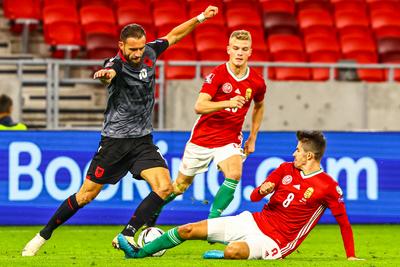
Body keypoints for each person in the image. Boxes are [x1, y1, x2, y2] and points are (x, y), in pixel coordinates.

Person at [21, 6, 219, 256]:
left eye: (140, 48)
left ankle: (127, 233)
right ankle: (42, 235)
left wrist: (200, 17)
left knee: (165, 187)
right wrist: (106, 76)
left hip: (142, 141)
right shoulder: (115, 63)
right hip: (114, 142)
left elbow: (175, 35)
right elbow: (109, 74)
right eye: (132, 49)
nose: (137, 53)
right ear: (121, 46)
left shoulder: (149, 52)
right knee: (85, 195)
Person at [117, 131, 362, 261]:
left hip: (276, 243)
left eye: (298, 150)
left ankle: (222, 254)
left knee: (234, 251)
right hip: (253, 220)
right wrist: (262, 190)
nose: (294, 153)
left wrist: (350, 256)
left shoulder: (328, 186)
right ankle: (137, 253)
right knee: (187, 230)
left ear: (310, 156)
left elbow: (344, 222)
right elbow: (255, 197)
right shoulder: (285, 169)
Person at [148, 29, 266, 226]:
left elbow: (259, 106)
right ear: (228, 49)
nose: (239, 53)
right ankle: (154, 209)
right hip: (202, 138)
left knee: (234, 174)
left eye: (244, 49)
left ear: (250, 52)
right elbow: (199, 106)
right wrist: (227, 102)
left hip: (229, 138)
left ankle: (212, 222)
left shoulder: (257, 81)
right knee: (179, 186)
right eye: (235, 48)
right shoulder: (217, 74)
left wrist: (253, 136)